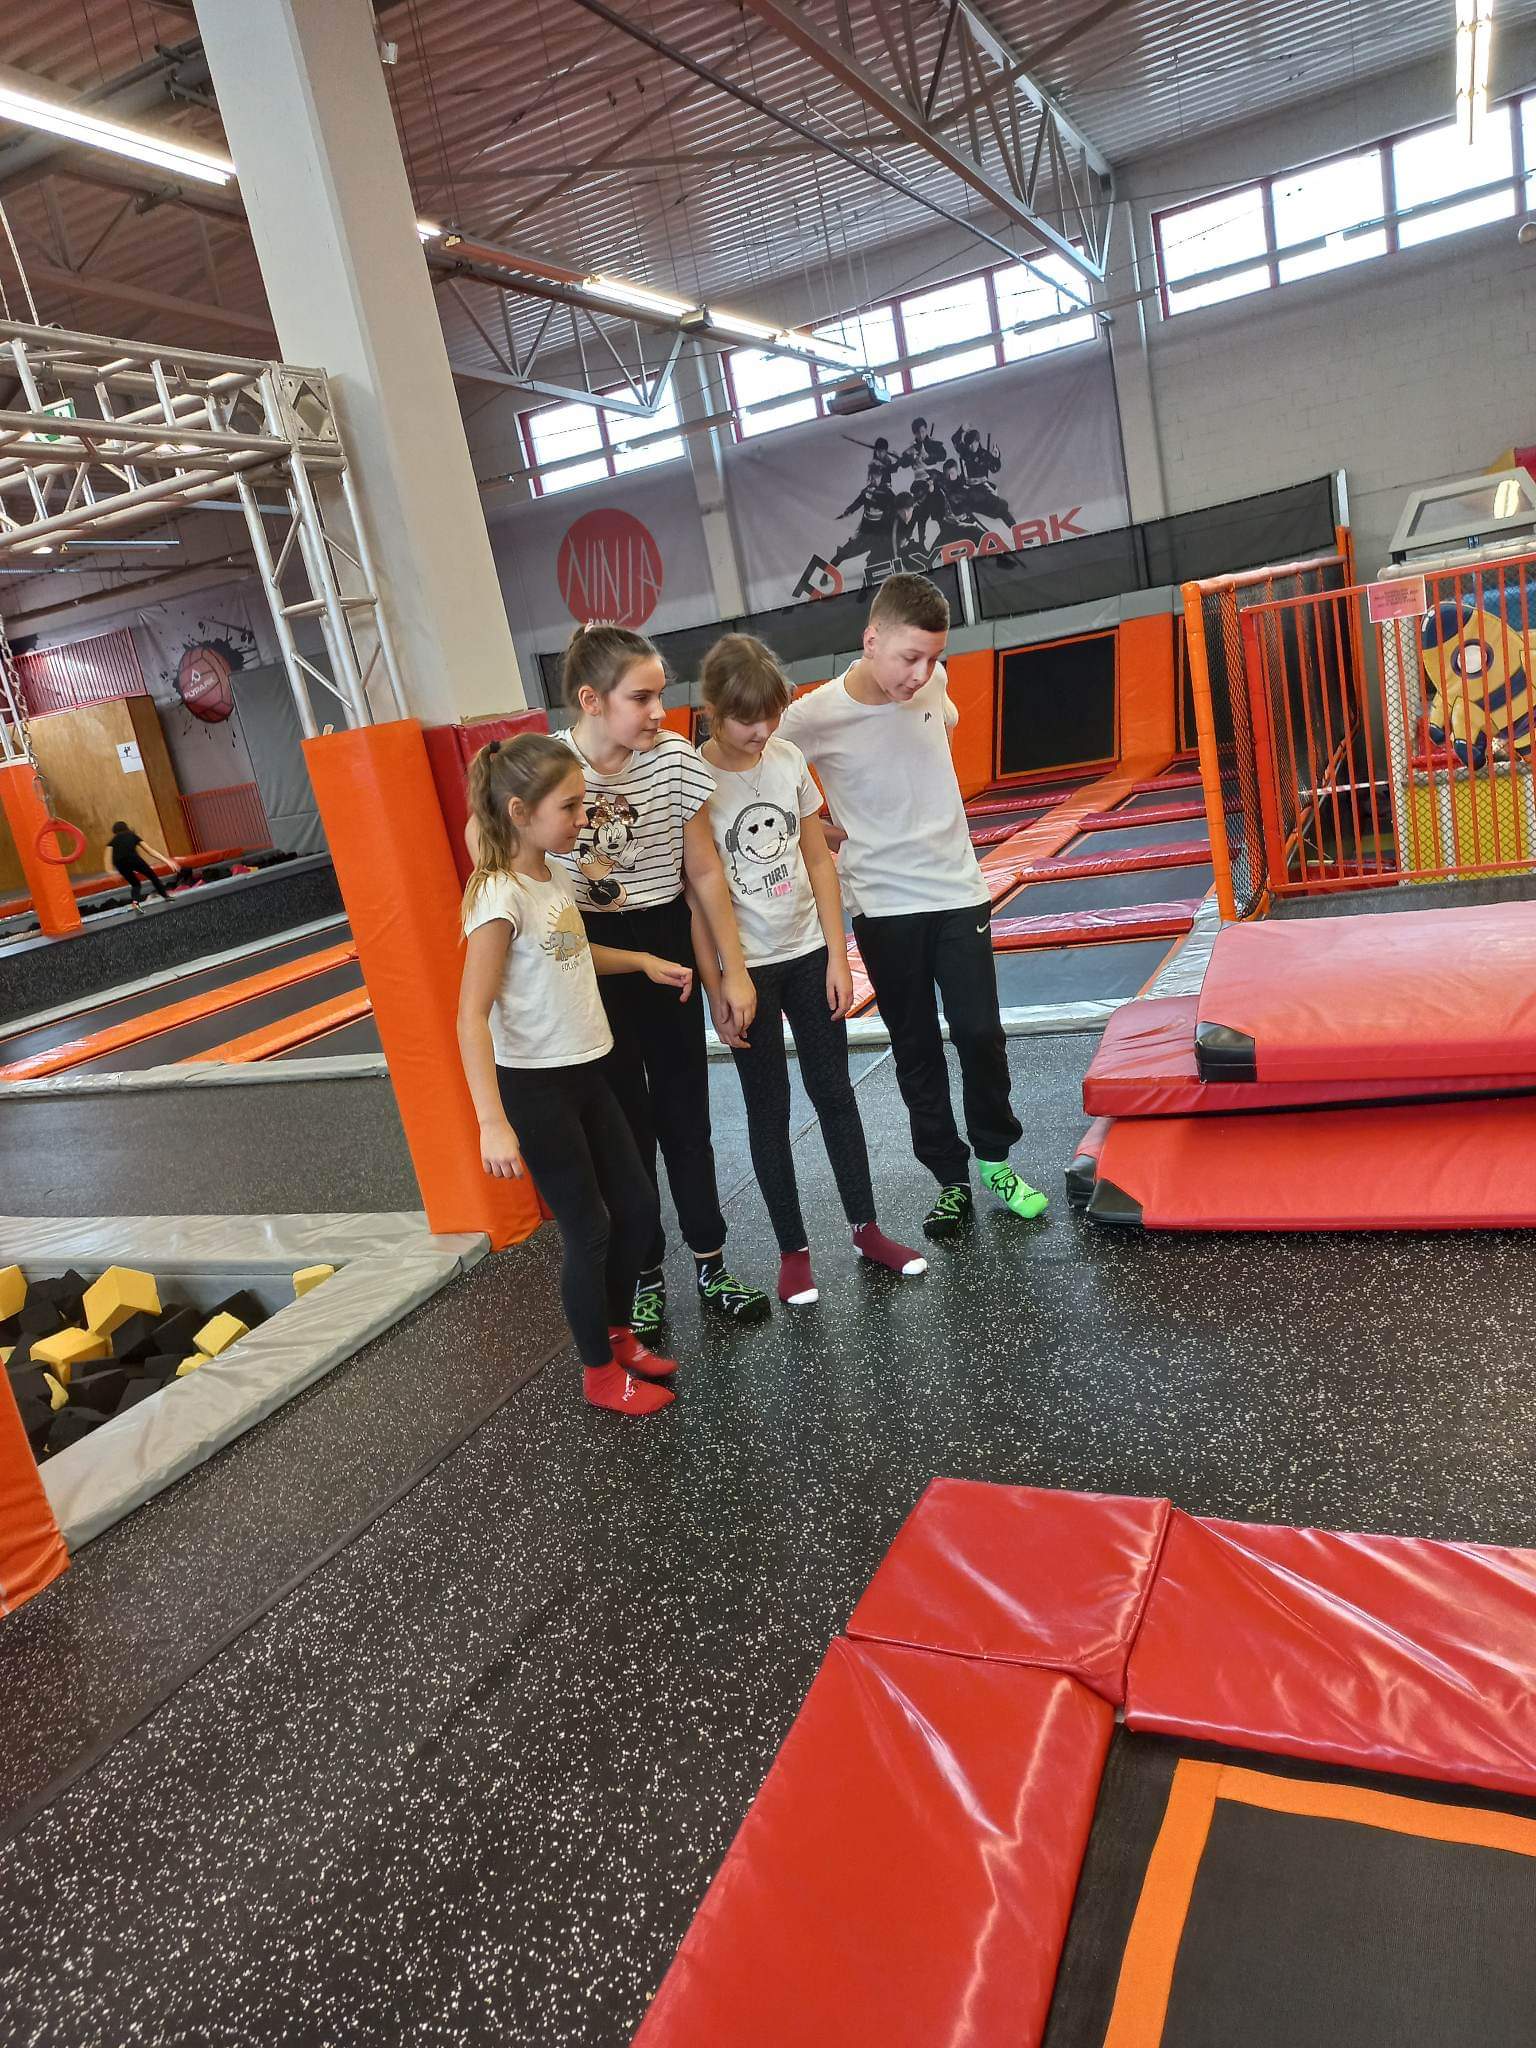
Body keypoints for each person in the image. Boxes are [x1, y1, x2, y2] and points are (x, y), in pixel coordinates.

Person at [778, 573, 1050, 1240]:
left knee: (979, 1031)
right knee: (916, 1046)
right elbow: (766, 776)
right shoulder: (813, 717)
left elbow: (939, 722)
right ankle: (950, 1180)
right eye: (909, 657)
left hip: (957, 890)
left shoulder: (933, 683)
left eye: (933, 658)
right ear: (871, 641)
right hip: (883, 906)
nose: (921, 673)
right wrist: (817, 829)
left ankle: (996, 1161)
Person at [456, 734, 687, 1416]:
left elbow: (574, 953)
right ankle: (597, 1372)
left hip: (588, 1069)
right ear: (520, 811)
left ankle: (617, 1334)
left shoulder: (552, 876)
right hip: (536, 1087)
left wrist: (640, 961)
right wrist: (491, 1121)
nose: (583, 819)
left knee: (637, 1209)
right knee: (589, 1229)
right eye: (570, 807)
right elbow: (470, 1016)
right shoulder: (498, 898)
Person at [551, 622, 771, 1333]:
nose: (658, 712)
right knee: (624, 1130)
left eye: (660, 695)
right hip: (593, 955)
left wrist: (731, 974)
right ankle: (645, 1272)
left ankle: (710, 1260)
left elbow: (703, 871)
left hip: (666, 939)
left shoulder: (673, 759)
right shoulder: (551, 769)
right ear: (592, 700)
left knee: (685, 1115)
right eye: (640, 698)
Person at [696, 633, 927, 1307]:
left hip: (805, 956)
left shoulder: (787, 759)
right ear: (713, 711)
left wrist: (837, 954)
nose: (762, 730)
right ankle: (792, 1252)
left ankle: (866, 1229)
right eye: (747, 720)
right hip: (748, 970)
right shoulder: (696, 780)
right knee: (768, 1110)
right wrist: (720, 985)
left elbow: (819, 859)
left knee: (835, 1093)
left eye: (771, 716)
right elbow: (698, 896)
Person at [107, 820, 175, 907]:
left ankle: (135, 902)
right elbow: (150, 851)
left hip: (120, 864)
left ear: (115, 831)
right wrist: (166, 861)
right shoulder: (132, 836)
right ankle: (166, 896)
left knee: (135, 884)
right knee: (153, 877)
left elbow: (107, 859)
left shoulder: (112, 842)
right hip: (133, 859)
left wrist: (111, 872)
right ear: (126, 828)